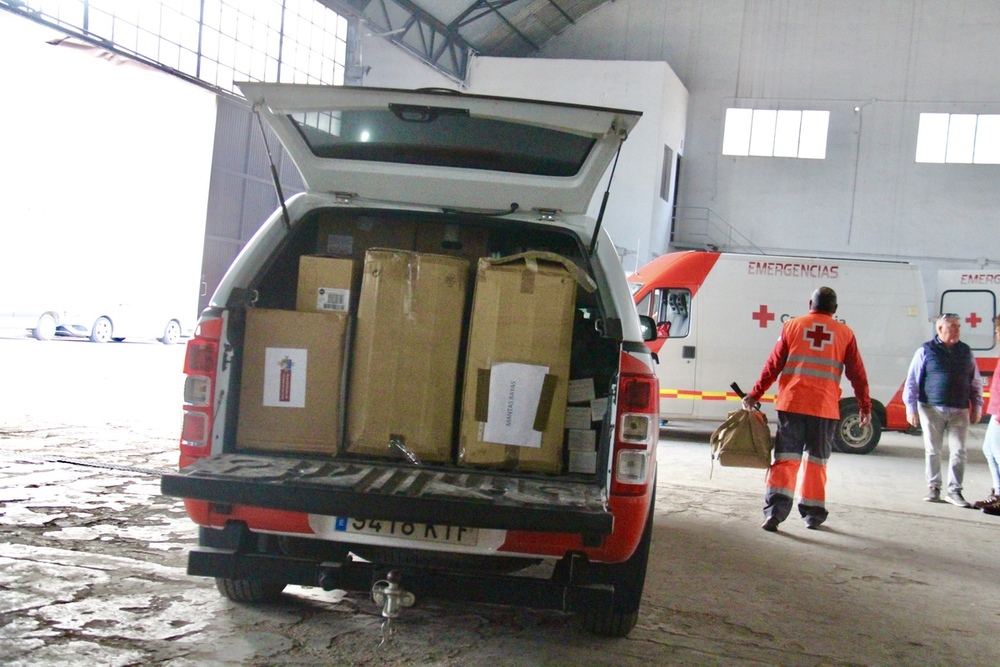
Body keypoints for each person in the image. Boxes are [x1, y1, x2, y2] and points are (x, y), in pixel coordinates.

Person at [742, 286, 871, 532]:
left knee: (785, 460)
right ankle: (812, 515)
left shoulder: (792, 326)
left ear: (809, 304)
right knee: (816, 462)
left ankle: (774, 514)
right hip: (824, 408)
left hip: (792, 405)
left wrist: (755, 393)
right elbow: (858, 375)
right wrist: (865, 406)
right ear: (835, 309)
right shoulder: (845, 333)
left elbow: (773, 365)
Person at [903, 313, 983, 508]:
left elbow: (975, 381)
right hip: (931, 408)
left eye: (958, 326)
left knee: (959, 452)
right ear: (940, 329)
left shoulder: (966, 352)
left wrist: (977, 406)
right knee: (933, 450)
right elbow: (912, 380)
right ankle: (933, 487)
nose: (956, 330)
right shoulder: (925, 350)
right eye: (952, 326)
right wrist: (910, 407)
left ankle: (955, 491)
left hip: (960, 410)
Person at [974, 316, 1000, 512]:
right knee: (989, 450)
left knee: (997, 454)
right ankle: (998, 493)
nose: (996, 334)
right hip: (996, 411)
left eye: (998, 330)